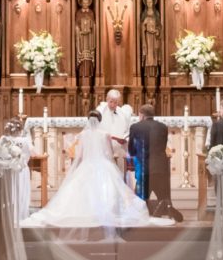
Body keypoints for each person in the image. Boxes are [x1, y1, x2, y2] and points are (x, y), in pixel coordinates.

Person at [22, 111, 171, 228]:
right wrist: (113, 168)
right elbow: (108, 154)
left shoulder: (82, 135)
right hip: (103, 165)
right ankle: (106, 212)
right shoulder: (105, 134)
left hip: (87, 165)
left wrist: (75, 170)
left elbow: (79, 156)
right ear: (100, 121)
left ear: (88, 121)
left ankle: (84, 213)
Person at [127, 105, 183, 222]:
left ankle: (145, 213)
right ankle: (166, 208)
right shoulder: (162, 127)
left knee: (140, 197)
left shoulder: (135, 127)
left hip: (144, 168)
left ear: (141, 115)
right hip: (160, 167)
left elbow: (131, 149)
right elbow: (163, 146)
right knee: (163, 195)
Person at [97, 89, 134, 173]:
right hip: (104, 146)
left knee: (119, 170)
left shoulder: (122, 113)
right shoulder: (100, 111)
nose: (113, 105)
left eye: (116, 102)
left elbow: (126, 130)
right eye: (111, 102)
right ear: (107, 99)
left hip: (118, 147)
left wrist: (125, 138)